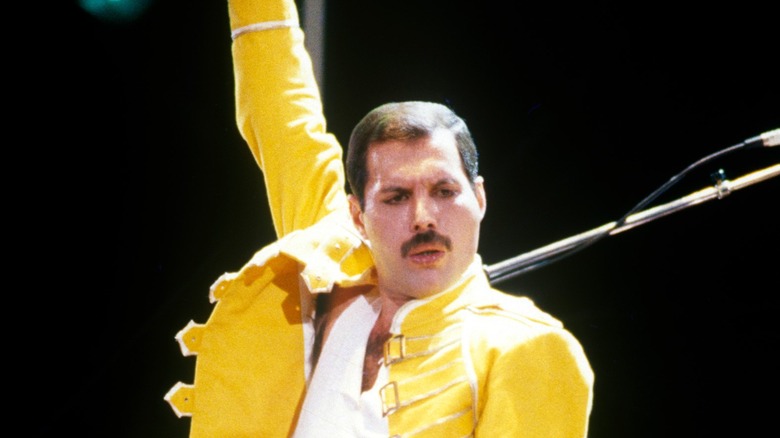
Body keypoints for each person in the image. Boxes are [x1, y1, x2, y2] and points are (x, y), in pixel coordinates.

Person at [165, 0, 595, 436]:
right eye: (396, 197)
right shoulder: (332, 271)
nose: (424, 217)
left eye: (444, 191)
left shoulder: (523, 346)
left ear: (479, 197)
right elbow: (281, 116)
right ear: (358, 216)